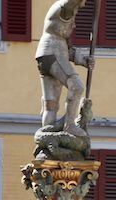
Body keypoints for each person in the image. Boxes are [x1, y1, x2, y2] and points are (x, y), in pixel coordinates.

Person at [36, 0, 94, 137]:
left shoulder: (64, 15)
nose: (84, 4)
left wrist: (83, 61)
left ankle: (47, 136)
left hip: (46, 55)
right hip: (53, 54)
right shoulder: (65, 9)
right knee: (77, 87)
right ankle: (69, 125)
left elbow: (67, 50)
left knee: (51, 104)